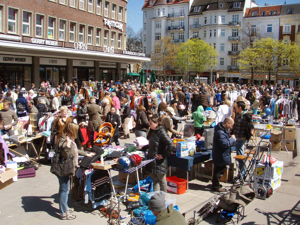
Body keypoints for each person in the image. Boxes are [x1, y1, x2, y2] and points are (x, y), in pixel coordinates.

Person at [57, 122, 95, 220]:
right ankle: (63, 213)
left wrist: (86, 154)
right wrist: (68, 145)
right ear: (72, 130)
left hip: (68, 168)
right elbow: (65, 155)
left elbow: (75, 150)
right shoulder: (64, 139)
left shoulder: (69, 138)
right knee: (64, 190)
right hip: (63, 169)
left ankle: (64, 207)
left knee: (64, 189)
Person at [147, 115, 175, 192]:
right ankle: (156, 199)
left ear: (156, 123)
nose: (149, 125)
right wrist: (143, 147)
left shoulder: (161, 132)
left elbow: (171, 145)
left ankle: (164, 198)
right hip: (152, 160)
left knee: (162, 181)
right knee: (155, 181)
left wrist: (163, 155)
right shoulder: (153, 131)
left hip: (159, 162)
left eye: (151, 123)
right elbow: (153, 143)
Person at [212, 117, 236, 192]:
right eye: (231, 125)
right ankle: (216, 186)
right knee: (219, 171)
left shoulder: (222, 130)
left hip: (221, 154)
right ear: (228, 123)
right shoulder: (220, 132)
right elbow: (225, 144)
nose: (231, 127)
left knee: (219, 170)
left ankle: (216, 184)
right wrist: (232, 139)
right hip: (220, 154)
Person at [232, 101, 254, 179]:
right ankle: (241, 174)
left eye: (237, 107)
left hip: (242, 139)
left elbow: (251, 126)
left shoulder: (246, 116)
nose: (236, 108)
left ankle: (242, 175)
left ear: (240, 107)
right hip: (238, 138)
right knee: (239, 157)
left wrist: (250, 133)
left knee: (240, 158)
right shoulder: (239, 115)